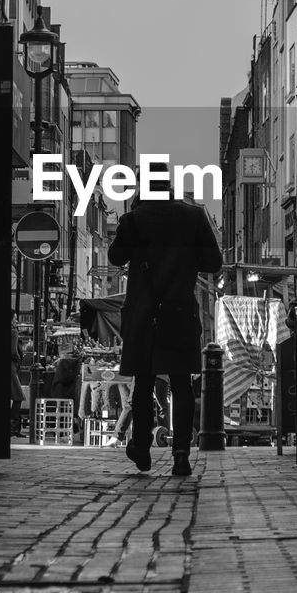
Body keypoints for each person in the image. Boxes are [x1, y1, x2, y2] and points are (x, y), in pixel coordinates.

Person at [108, 185, 223, 477]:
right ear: (170, 189)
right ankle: (181, 453)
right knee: (181, 382)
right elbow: (214, 262)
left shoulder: (134, 219)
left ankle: (143, 447)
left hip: (144, 314)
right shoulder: (194, 217)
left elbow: (115, 257)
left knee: (144, 383)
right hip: (179, 311)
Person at [9, 315, 26, 436]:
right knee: (18, 396)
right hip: (11, 368)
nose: (16, 321)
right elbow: (14, 351)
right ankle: (13, 428)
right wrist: (19, 359)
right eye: (14, 318)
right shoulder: (13, 331)